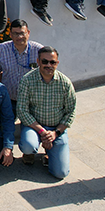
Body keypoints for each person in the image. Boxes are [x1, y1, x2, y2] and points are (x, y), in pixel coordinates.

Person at [17, 47, 75, 179]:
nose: (48, 65)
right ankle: (30, 153)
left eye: (52, 62)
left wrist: (55, 133)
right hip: (34, 126)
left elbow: (70, 112)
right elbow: (22, 110)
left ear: (57, 63)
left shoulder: (65, 83)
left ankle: (50, 152)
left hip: (56, 129)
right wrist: (43, 132)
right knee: (28, 145)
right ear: (38, 61)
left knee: (61, 173)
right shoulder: (27, 80)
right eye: (45, 61)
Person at [0, 19, 42, 106]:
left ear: (28, 33)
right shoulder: (2, 49)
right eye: (15, 33)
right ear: (10, 34)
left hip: (31, 100)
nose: (19, 37)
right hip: (9, 98)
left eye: (22, 33)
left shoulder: (39, 50)